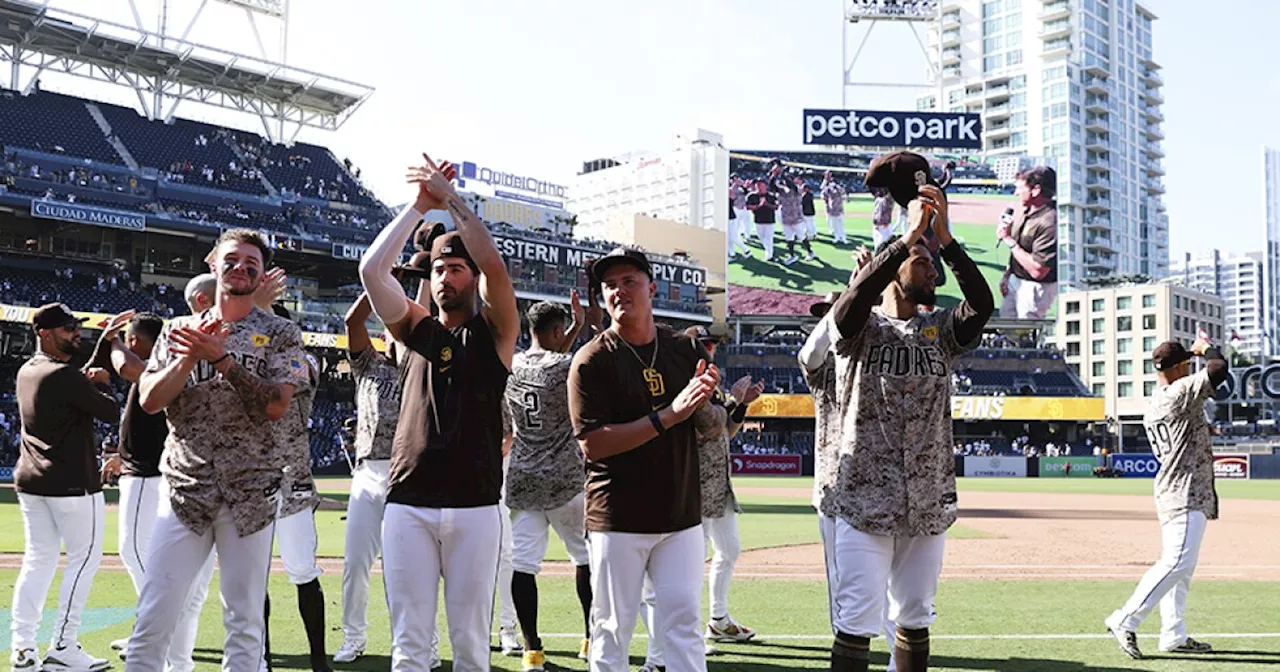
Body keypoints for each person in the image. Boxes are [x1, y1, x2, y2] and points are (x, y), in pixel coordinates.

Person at [823, 151, 994, 672]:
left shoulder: (940, 332)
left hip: (927, 500)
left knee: (916, 619)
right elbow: (852, 305)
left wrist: (944, 239)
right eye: (917, 258)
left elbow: (982, 305)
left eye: (930, 260)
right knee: (856, 622)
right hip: (863, 498)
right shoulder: (860, 329)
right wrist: (906, 235)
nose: (927, 262)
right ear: (891, 268)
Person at [358, 155, 520, 672]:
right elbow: (371, 271)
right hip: (408, 500)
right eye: (437, 269)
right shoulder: (418, 329)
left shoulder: (496, 332)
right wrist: (417, 206)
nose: (446, 277)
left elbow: (493, 263)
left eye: (455, 268)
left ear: (471, 277)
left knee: (471, 646)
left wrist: (449, 199)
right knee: (409, 645)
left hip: (475, 504)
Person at [127, 229, 312, 671]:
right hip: (185, 492)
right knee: (154, 617)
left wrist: (222, 359)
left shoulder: (282, 333)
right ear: (213, 265)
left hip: (249, 495)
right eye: (232, 260)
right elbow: (151, 399)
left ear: (263, 272)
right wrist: (191, 357)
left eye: (253, 262)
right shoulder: (177, 330)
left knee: (245, 623)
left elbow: (276, 405)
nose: (242, 268)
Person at [569, 247, 721, 672]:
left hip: (680, 518)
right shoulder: (591, 361)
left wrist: (707, 400)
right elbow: (592, 444)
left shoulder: (683, 348)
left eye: (629, 281)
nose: (620, 291)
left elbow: (714, 428)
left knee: (684, 627)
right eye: (610, 285)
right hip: (618, 519)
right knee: (612, 630)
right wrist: (668, 415)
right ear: (602, 298)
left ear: (652, 288)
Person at [639, 326, 763, 672]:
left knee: (730, 549)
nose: (712, 352)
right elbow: (710, 425)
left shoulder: (711, 385)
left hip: (717, 487)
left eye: (713, 346)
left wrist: (740, 406)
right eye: (707, 346)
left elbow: (726, 430)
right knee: (683, 572)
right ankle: (663, 652)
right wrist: (735, 402)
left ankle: (719, 619)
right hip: (692, 489)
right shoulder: (686, 382)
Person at [92, 310, 206, 669]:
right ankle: (155, 626)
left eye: (131, 336)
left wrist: (112, 338)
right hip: (144, 471)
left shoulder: (162, 367)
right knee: (147, 558)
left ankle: (159, 627)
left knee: (136, 553)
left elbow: (125, 366)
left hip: (147, 477)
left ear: (139, 341)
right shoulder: (167, 368)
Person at [1105, 338, 1228, 659]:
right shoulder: (1177, 392)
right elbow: (1218, 370)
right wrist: (1207, 349)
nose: (1190, 366)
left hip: (1181, 489)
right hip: (1184, 490)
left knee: (1183, 567)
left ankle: (1174, 633)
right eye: (1186, 362)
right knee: (1176, 561)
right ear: (1177, 368)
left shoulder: (1159, 398)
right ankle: (1125, 619)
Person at [12, 303, 118, 671]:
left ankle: (23, 649)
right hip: (72, 484)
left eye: (76, 325)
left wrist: (90, 369)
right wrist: (103, 382)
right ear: (44, 333)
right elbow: (110, 411)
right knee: (83, 562)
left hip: (31, 481)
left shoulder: (28, 370)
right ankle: (63, 646)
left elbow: (68, 390)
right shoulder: (65, 375)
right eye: (67, 328)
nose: (75, 332)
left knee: (37, 563)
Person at [504, 297, 593, 672]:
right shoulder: (568, 365)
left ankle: (532, 651)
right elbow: (565, 365)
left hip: (523, 478)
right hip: (564, 480)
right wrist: (585, 325)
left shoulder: (510, 363)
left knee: (523, 565)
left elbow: (548, 357)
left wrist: (571, 328)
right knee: (585, 559)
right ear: (557, 331)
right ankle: (591, 639)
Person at [335, 293, 405, 665]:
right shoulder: (368, 365)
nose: (395, 336)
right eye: (390, 330)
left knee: (406, 568)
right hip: (367, 472)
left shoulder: (421, 367)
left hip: (406, 472)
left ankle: (415, 642)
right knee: (356, 563)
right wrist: (377, 285)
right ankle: (353, 636)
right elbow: (352, 322)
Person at [264, 303, 329, 672]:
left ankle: (319, 659)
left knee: (303, 572)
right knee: (254, 578)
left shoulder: (304, 362)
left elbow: (282, 386)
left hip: (292, 482)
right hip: (252, 480)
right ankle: (263, 657)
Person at [998, 166, 1059, 320]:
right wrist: (1008, 274)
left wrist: (1008, 239)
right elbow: (1021, 248)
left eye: (1020, 188)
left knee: (1026, 335)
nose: (1016, 193)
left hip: (1035, 288)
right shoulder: (1030, 212)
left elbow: (1038, 271)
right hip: (1016, 281)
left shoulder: (1050, 221)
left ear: (1036, 190)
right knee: (1007, 327)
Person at [778, 175, 813, 265]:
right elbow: (772, 186)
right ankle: (792, 255)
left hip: (796, 218)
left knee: (802, 236)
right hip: (786, 218)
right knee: (789, 238)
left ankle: (810, 252)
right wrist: (774, 175)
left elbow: (792, 185)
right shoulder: (782, 191)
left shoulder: (796, 189)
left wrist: (782, 173)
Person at [745, 180, 778, 262]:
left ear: (765, 186)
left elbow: (776, 207)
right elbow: (748, 207)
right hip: (758, 220)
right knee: (762, 238)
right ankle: (769, 251)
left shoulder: (771, 195)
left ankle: (769, 256)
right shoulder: (751, 196)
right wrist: (759, 206)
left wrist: (766, 204)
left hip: (769, 220)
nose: (759, 187)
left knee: (769, 238)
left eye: (761, 185)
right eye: (758, 186)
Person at [821, 171, 848, 245]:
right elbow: (823, 192)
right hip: (832, 209)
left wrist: (837, 187)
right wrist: (826, 180)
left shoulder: (839, 189)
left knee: (841, 224)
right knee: (835, 225)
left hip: (839, 209)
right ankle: (837, 237)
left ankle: (843, 238)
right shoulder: (828, 190)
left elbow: (843, 192)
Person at [728, 176, 750, 258]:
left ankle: (746, 250)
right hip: (728, 215)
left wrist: (739, 185)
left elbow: (733, 196)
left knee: (733, 236)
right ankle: (732, 254)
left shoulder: (730, 191)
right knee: (728, 237)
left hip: (730, 216)